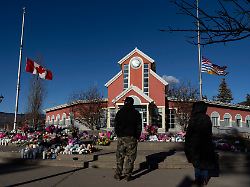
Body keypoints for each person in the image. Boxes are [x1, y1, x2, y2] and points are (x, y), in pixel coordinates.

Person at [185, 101, 217, 185]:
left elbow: (189, 134)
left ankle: (198, 180)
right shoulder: (207, 118)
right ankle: (205, 180)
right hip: (206, 145)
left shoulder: (193, 118)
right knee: (205, 164)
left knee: (197, 164)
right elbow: (209, 133)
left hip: (195, 145)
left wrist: (187, 147)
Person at [114, 97, 142, 181]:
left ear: (125, 103)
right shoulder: (136, 113)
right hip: (131, 138)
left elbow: (116, 125)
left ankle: (118, 174)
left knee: (120, 156)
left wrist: (118, 134)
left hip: (121, 137)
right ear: (132, 103)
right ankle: (128, 175)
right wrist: (137, 136)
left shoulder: (120, 112)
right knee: (130, 157)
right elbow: (139, 126)